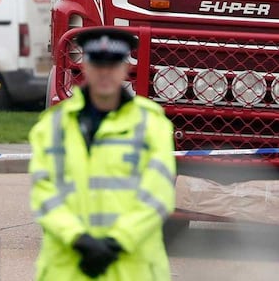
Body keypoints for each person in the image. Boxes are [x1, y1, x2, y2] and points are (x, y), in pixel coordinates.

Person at [29, 27, 176, 280]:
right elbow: (45, 193)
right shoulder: (52, 126)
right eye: (98, 63)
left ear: (124, 67)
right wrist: (78, 239)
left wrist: (117, 242)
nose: (105, 72)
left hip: (131, 269)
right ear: (85, 66)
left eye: (113, 64)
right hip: (69, 269)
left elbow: (157, 195)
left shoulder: (151, 124)